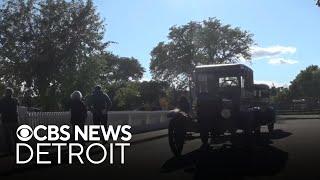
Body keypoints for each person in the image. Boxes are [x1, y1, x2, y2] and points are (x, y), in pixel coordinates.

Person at [0, 88, 19, 154]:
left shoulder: (2, 100)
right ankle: (17, 149)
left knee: (7, 137)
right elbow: (18, 106)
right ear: (12, 93)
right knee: (15, 136)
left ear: (5, 93)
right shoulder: (15, 100)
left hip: (5, 121)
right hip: (14, 120)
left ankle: (9, 151)